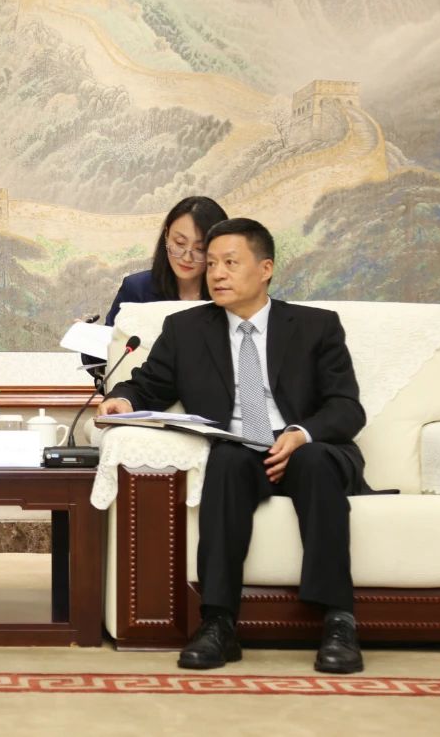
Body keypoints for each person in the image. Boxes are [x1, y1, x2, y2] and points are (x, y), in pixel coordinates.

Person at [98, 218, 370, 674]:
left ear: (265, 269)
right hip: (240, 448)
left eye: (230, 263)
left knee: (315, 462)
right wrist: (122, 400)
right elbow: (148, 386)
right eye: (212, 264)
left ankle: (338, 621)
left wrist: (300, 434)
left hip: (304, 446)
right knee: (224, 460)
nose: (217, 274)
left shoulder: (316, 326)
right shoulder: (186, 329)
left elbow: (346, 407)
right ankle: (218, 623)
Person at [84, 197, 228, 384]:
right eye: (179, 243)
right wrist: (87, 338)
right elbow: (110, 357)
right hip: (143, 397)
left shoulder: (230, 294)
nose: (187, 257)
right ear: (166, 235)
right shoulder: (137, 289)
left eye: (200, 249)